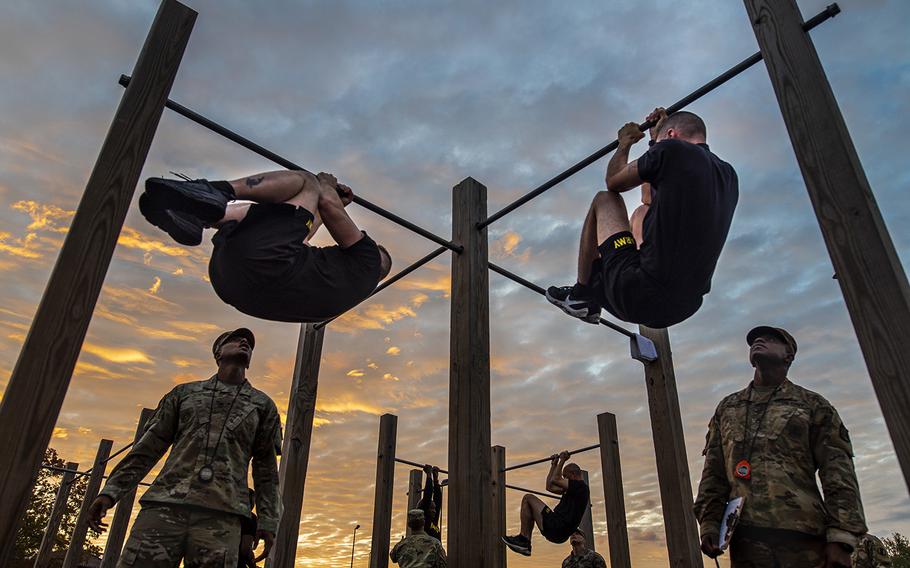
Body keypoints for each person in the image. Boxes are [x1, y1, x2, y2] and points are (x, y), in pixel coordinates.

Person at [87, 328, 282, 567]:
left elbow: (266, 471)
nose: (244, 342)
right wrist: (110, 492)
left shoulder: (262, 405)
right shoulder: (184, 394)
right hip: (165, 507)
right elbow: (147, 449)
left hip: (222, 517)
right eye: (235, 339)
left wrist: (268, 521)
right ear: (218, 352)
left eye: (249, 344)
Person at [546, 108, 738, 328]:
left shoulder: (673, 149)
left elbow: (614, 181)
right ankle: (611, 276)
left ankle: (582, 294)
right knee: (641, 212)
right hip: (683, 306)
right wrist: (654, 141)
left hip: (639, 291)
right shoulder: (728, 174)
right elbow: (648, 199)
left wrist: (625, 142)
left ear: (672, 134)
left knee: (605, 199)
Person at [694, 326, 867, 568]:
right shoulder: (728, 407)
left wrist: (842, 536)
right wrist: (709, 523)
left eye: (771, 339)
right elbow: (713, 472)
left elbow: (838, 472)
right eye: (755, 339)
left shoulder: (812, 405)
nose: (759, 341)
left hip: (804, 539)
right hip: (746, 541)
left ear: (789, 355)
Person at [138, 170, 392, 323]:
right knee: (279, 218)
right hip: (232, 283)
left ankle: (217, 192)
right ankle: (199, 214)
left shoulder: (368, 258)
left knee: (307, 183)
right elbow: (296, 234)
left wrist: (326, 187)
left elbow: (324, 200)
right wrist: (327, 211)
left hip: (264, 265)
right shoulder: (342, 287)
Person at [502, 451, 590, 557]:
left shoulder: (580, 486)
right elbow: (549, 486)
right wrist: (554, 465)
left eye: (565, 477)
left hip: (558, 525)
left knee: (528, 498)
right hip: (557, 531)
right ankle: (525, 541)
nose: (564, 479)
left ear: (573, 475)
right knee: (529, 504)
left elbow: (556, 479)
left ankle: (524, 539)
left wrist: (562, 460)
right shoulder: (572, 490)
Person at [418, 464, 443, 542]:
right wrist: (428, 475)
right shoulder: (424, 520)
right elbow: (428, 494)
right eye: (432, 509)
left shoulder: (434, 520)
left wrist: (436, 479)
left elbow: (438, 499)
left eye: (434, 508)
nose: (434, 511)